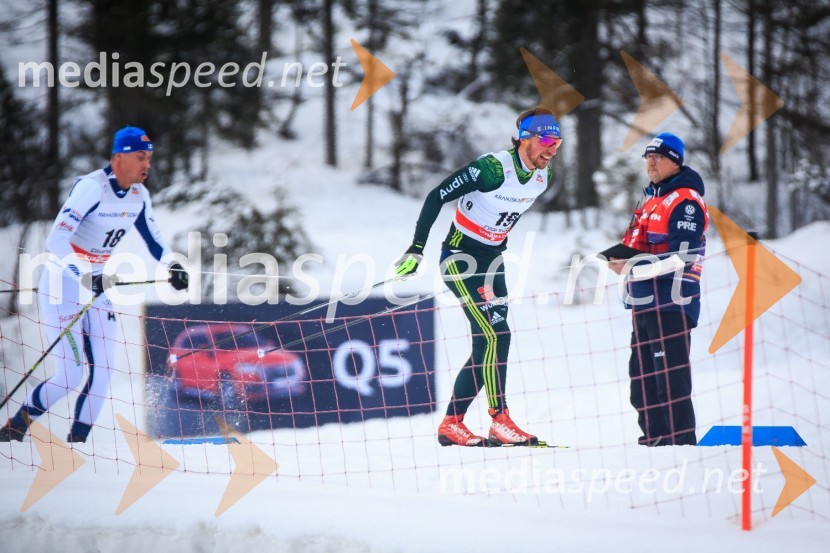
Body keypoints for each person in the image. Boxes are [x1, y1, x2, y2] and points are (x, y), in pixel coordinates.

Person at [0, 126, 189, 443]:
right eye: (140, 157)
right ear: (119, 158)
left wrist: (173, 266)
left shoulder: (139, 196)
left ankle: (78, 444)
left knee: (103, 374)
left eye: (150, 158)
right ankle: (14, 429)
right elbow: (56, 239)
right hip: (63, 285)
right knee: (70, 375)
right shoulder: (92, 187)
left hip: (97, 286)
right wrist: (85, 274)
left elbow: (155, 243)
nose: (147, 165)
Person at [394, 106, 563, 447]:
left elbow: (501, 215)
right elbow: (437, 195)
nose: (552, 149)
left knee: (490, 341)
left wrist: (497, 237)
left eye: (557, 142)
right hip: (460, 259)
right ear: (525, 140)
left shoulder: (543, 178)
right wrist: (416, 248)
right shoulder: (490, 169)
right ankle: (499, 418)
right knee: (496, 333)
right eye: (546, 140)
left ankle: (451, 423)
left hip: (491, 261)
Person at [608, 132, 708, 446]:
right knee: (641, 381)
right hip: (643, 301)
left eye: (659, 157)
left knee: (670, 378)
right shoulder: (652, 199)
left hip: (672, 301)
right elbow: (636, 247)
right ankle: (653, 439)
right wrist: (619, 258)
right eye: (648, 157)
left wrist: (632, 265)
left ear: (675, 162)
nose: (651, 163)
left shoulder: (685, 200)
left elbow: (682, 256)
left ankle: (679, 441)